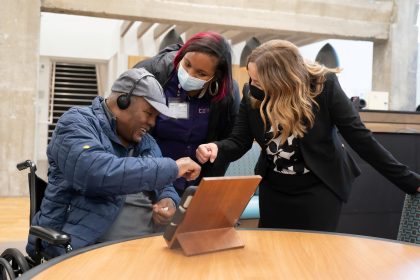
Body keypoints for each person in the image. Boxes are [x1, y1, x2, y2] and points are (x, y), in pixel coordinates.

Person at [196, 40, 420, 232]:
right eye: (251, 78)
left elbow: (361, 139)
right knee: (274, 257)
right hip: (274, 188)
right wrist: (217, 148)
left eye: (258, 80)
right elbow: (239, 141)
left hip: (319, 187)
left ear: (281, 81)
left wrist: (411, 181)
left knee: (313, 258)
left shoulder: (323, 86)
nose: (251, 85)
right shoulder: (252, 93)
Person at [26, 68, 201, 259]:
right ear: (122, 102)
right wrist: (173, 168)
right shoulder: (75, 123)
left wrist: (169, 202)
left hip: (147, 246)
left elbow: (165, 185)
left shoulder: (146, 141)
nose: (152, 123)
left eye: (156, 117)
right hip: (89, 247)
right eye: (149, 113)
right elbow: (96, 173)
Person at [134, 31, 240, 196]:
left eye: (201, 73)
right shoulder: (152, 73)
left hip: (196, 182)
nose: (189, 75)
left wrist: (216, 148)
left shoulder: (228, 93)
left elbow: (233, 139)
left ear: (216, 76)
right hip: (149, 176)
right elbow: (128, 129)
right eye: (187, 64)